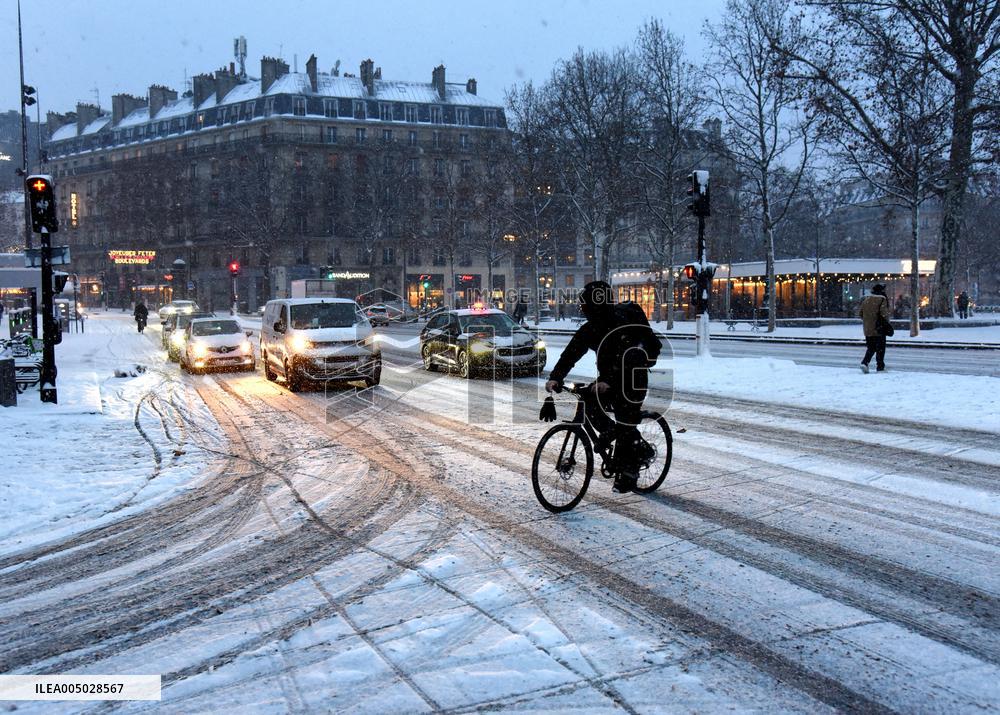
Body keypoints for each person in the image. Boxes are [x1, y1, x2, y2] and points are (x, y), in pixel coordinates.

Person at [545, 281, 661, 493]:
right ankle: (615, 435)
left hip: (633, 381)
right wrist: (556, 377)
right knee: (589, 404)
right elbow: (571, 353)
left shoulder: (623, 324)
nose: (583, 309)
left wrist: (609, 380)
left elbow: (628, 357)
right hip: (606, 382)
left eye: (585, 305)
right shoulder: (591, 328)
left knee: (625, 420)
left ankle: (630, 468)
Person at [860, 284, 890, 373]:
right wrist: (886, 324)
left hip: (867, 328)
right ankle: (880, 367)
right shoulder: (882, 299)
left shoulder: (866, 299)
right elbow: (884, 314)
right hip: (879, 328)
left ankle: (865, 363)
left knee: (871, 347)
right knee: (881, 348)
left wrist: (868, 321)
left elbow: (860, 313)